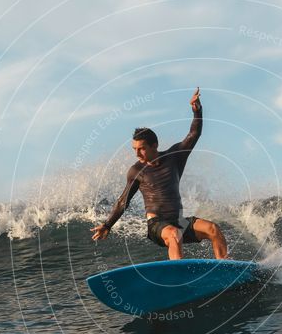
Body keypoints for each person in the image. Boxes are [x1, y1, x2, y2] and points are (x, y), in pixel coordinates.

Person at [91, 87, 228, 260]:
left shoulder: (174, 157)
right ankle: (178, 277)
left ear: (154, 145)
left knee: (213, 229)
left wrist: (197, 110)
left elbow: (194, 134)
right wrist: (107, 225)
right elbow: (122, 201)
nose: (137, 154)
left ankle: (224, 268)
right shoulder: (136, 171)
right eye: (135, 149)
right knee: (174, 235)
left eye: (141, 149)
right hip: (156, 225)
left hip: (179, 221)